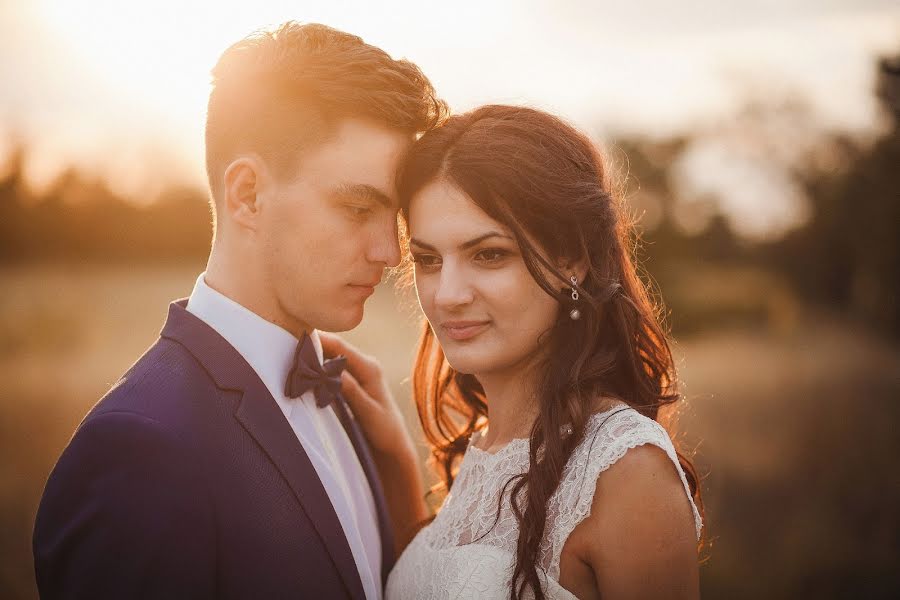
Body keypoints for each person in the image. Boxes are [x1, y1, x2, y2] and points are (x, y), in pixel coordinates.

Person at [33, 22, 446, 599]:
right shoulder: (138, 448)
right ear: (247, 193)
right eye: (357, 208)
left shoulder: (349, 400)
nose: (390, 251)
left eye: (393, 217)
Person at [332, 105, 704, 599]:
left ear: (572, 259)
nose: (447, 295)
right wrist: (397, 461)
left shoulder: (626, 471)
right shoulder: (483, 449)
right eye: (428, 259)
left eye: (489, 255)